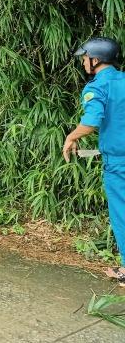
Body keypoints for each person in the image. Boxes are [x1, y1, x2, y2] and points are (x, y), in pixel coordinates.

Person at [63, 37, 125, 287]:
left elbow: (92, 120)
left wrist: (71, 137)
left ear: (95, 60)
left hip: (119, 163)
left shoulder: (97, 87)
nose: (83, 64)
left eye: (84, 59)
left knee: (122, 213)